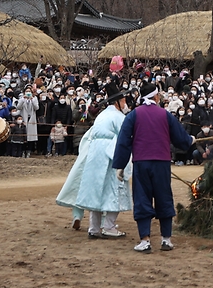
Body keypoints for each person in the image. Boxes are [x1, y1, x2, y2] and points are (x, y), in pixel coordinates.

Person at [113, 82, 194, 253]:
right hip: (162, 162)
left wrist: (120, 165)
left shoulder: (133, 115)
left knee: (142, 198)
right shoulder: (165, 115)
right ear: (156, 96)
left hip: (141, 163)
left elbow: (123, 142)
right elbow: (180, 138)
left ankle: (145, 240)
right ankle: (166, 239)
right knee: (164, 197)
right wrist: (190, 141)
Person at [56, 82, 132, 239]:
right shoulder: (119, 117)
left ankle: (94, 228)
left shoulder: (102, 115)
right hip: (111, 153)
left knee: (96, 190)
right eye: (123, 100)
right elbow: (125, 139)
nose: (125, 103)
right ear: (117, 102)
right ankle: (109, 226)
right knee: (113, 190)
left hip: (94, 154)